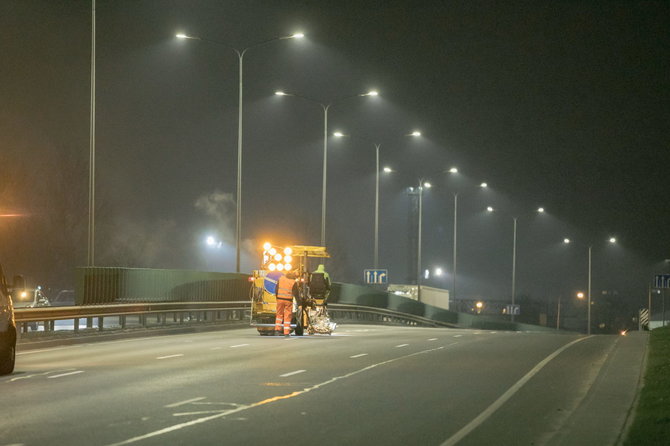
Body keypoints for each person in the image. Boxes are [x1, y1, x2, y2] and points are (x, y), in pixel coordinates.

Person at [275, 271, 299, 337]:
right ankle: (286, 333)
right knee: (287, 316)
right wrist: (299, 303)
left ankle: (277, 330)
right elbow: (296, 293)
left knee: (279, 315)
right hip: (288, 301)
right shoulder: (293, 282)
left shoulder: (281, 279)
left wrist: (277, 297)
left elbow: (276, 289)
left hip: (279, 299)